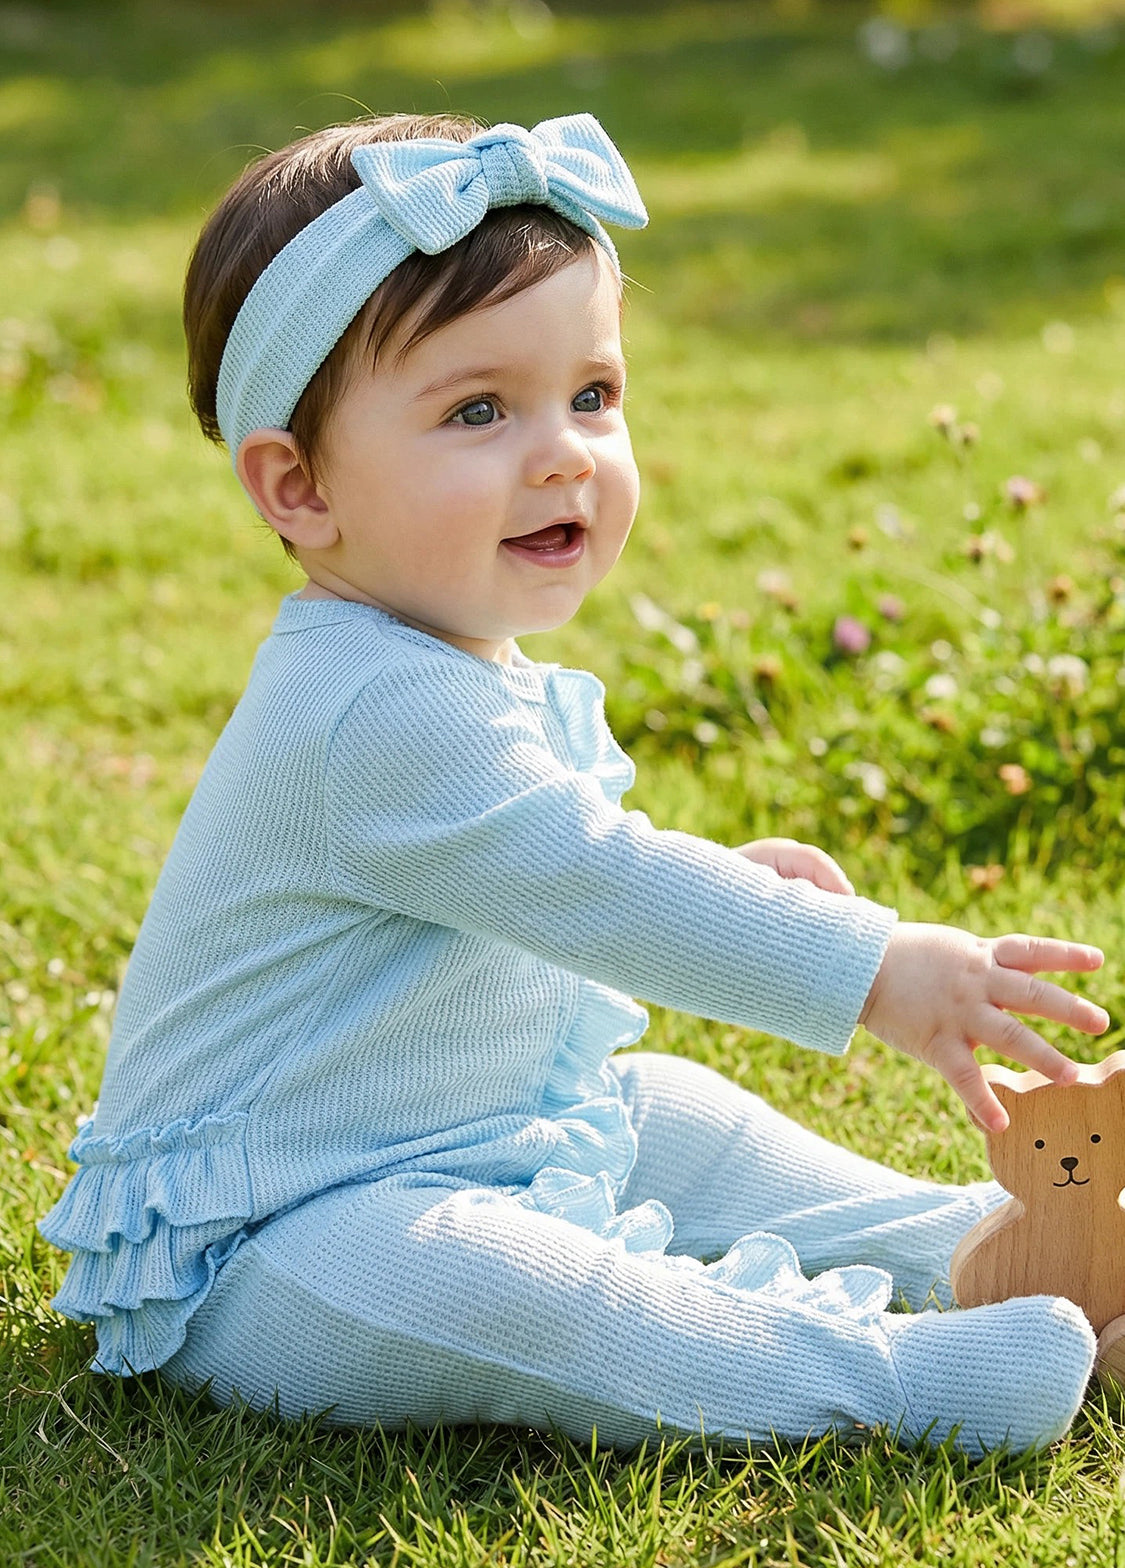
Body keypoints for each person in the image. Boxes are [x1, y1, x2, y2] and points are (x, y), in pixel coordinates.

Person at [39, 111, 1109, 1455]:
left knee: (668, 1114)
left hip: (488, 1133)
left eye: (592, 396)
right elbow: (595, 883)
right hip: (279, 1237)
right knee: (501, 1286)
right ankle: (892, 1378)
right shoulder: (366, 705)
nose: (562, 454)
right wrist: (873, 968)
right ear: (299, 488)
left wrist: (724, 880)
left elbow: (544, 876)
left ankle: (990, 1242)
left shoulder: (448, 662)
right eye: (478, 411)